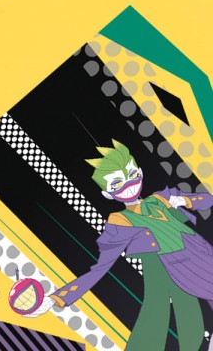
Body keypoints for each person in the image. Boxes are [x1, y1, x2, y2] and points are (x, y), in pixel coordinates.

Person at [25, 140, 213, 351]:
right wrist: (57, 298)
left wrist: (186, 201)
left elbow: (207, 200)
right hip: (183, 268)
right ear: (107, 194)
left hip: (204, 252)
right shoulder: (119, 223)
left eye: (132, 175)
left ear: (140, 172)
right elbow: (99, 269)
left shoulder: (162, 198)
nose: (129, 185)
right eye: (117, 184)